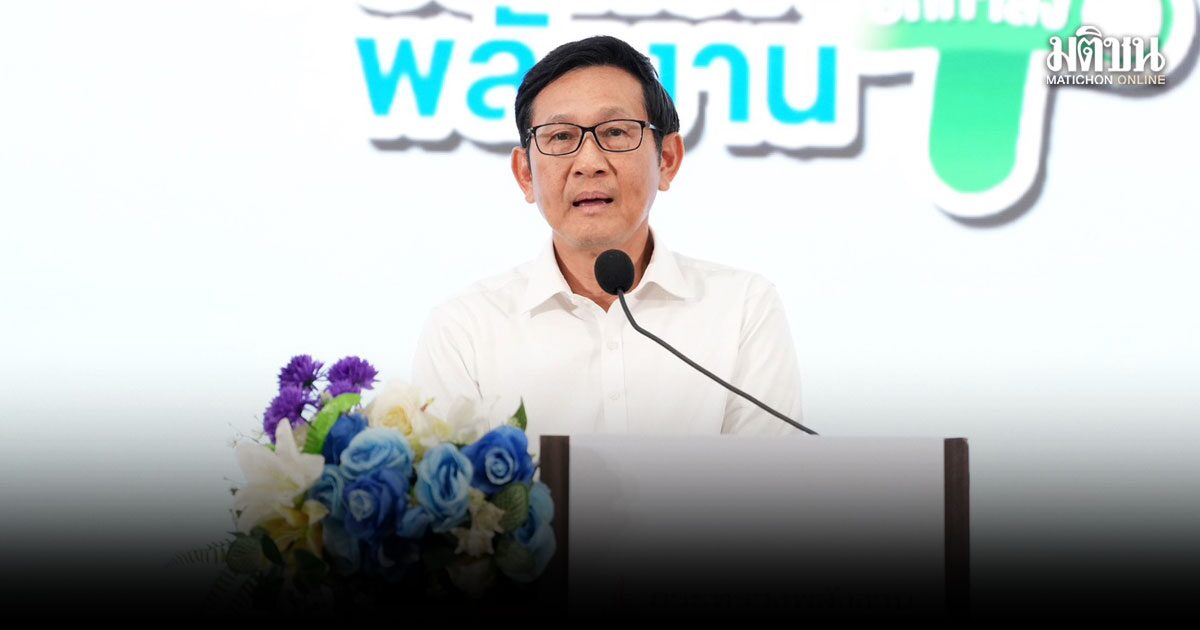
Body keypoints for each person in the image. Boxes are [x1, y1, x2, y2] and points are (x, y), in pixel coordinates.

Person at [412, 35, 805, 450]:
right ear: (525, 173)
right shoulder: (464, 330)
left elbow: (771, 482)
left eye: (615, 132)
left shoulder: (742, 308)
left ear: (667, 160)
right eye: (561, 137)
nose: (589, 163)